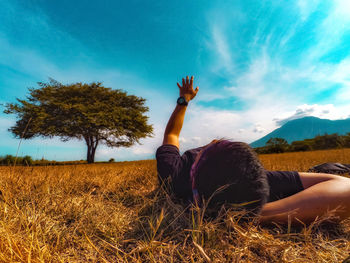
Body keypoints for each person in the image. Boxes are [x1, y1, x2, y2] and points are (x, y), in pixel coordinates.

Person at [156, 76, 350, 224]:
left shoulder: (174, 172)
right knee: (328, 172)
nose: (215, 141)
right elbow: (344, 188)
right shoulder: (252, 182)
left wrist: (184, 100)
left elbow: (172, 134)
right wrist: (257, 213)